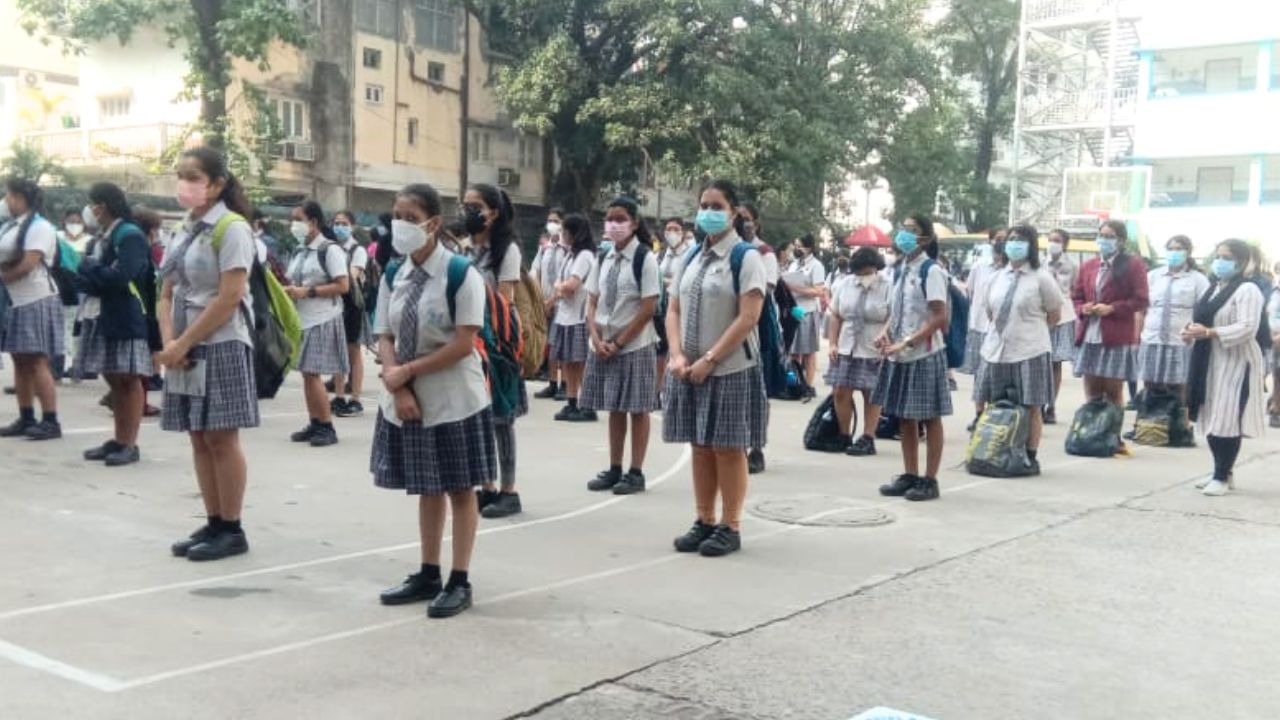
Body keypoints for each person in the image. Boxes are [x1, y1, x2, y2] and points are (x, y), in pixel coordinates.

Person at [372, 183, 494, 618]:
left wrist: (408, 373)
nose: (400, 225)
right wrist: (398, 384)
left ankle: (459, 579)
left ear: (433, 223)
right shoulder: (393, 273)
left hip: (454, 399)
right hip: (408, 397)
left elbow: (464, 342)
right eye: (396, 215)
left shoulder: (461, 274)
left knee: (460, 488)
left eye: (409, 217)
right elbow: (383, 332)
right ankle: (428, 571)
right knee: (427, 487)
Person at [157, 147, 260, 561]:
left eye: (194, 176)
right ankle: (214, 519)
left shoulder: (232, 228)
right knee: (198, 436)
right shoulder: (184, 228)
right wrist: (170, 342)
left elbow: (230, 296)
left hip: (220, 342)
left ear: (216, 184)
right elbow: (165, 289)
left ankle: (232, 527)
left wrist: (184, 342)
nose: (185, 183)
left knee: (221, 436)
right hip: (183, 344)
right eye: (180, 174)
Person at [664, 179, 768, 557]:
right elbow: (672, 308)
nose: (708, 211)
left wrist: (710, 359)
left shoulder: (745, 257)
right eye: (703, 204)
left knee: (728, 447)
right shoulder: (691, 257)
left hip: (729, 369)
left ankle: (731, 524)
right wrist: (676, 354)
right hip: (687, 368)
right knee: (701, 445)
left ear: (735, 211)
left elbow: (748, 317)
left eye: (717, 205)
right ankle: (704, 519)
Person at [581, 197, 661, 495]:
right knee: (614, 407)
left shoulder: (644, 258)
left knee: (638, 409)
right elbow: (591, 299)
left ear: (634, 223)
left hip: (635, 345)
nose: (614, 225)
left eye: (621, 219)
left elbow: (648, 307)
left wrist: (619, 341)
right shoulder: (603, 257)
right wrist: (596, 336)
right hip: (603, 343)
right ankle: (615, 468)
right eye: (610, 219)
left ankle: (635, 471)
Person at [872, 215, 951, 501]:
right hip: (900, 354)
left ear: (926, 239)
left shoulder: (931, 271)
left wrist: (906, 342)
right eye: (903, 229)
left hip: (924, 353)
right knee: (904, 416)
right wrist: (885, 333)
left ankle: (930, 479)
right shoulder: (900, 269)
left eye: (912, 231)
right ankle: (910, 473)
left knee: (929, 417)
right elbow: (897, 310)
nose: (904, 235)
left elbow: (939, 316)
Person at [77, 183, 156, 466]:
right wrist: (95, 272)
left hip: (125, 315)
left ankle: (129, 444)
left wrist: (91, 269)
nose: (92, 210)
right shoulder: (101, 237)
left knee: (127, 379)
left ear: (105, 205)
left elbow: (123, 276)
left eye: (95, 203)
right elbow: (85, 277)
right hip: (102, 313)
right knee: (112, 377)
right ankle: (118, 439)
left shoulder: (129, 235)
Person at [462, 183, 528, 519]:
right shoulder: (464, 248)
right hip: (469, 339)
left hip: (498, 343)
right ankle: (486, 486)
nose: (469, 212)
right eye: (466, 205)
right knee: (479, 419)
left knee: (502, 420)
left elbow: (505, 301)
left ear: (494, 213)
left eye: (476, 206)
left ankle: (509, 491)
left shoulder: (506, 251)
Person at [972, 224, 1062, 474]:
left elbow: (1054, 313)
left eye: (1020, 240)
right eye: (1011, 239)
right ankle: (992, 451)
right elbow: (991, 312)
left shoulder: (1041, 277)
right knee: (994, 402)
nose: (1014, 243)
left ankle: (1029, 456)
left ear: (1031, 246)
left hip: (1030, 350)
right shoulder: (996, 277)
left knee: (1031, 405)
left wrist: (1030, 331)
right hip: (996, 349)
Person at [1185, 239, 1266, 496]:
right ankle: (1221, 471)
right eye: (1217, 255)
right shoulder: (1213, 288)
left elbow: (1247, 327)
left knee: (1227, 419)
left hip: (1236, 362)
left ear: (1241, 261)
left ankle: (1221, 475)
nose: (1220, 261)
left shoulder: (1248, 290)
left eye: (1226, 256)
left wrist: (1210, 332)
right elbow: (1200, 319)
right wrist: (1191, 332)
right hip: (1208, 360)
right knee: (1209, 416)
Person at [0, 177, 63, 440]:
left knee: (37, 360)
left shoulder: (40, 227)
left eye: (8, 196)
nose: (5, 201)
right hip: (17, 300)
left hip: (36, 299)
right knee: (20, 359)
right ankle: (26, 416)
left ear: (20, 198)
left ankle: (50, 420)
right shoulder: (12, 226)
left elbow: (28, 264)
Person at [285, 201, 350, 447]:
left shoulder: (329, 250)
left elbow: (343, 286)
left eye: (298, 219)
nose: (294, 224)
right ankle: (315, 422)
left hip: (322, 317)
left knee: (312, 373)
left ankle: (326, 426)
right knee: (307, 374)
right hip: (302, 319)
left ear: (313, 222)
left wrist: (307, 292)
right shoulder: (300, 250)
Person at [1072, 220, 1149, 412]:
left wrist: (1112, 308)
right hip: (1090, 335)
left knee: (1113, 391)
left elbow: (1141, 300)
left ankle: (1111, 436)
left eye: (1110, 237)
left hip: (1115, 336)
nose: (1104, 240)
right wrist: (1083, 308)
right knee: (1092, 392)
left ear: (1121, 241)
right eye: (1101, 236)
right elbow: (1076, 296)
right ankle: (1092, 432)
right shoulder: (1089, 265)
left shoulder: (1133, 265)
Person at [826, 247, 891, 456]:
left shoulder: (887, 286)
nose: (863, 276)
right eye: (859, 272)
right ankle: (844, 435)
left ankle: (868, 437)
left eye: (866, 271)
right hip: (847, 344)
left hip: (872, 346)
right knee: (840, 391)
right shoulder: (846, 284)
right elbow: (835, 315)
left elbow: (893, 315)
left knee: (870, 393)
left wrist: (884, 333)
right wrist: (833, 343)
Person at [1135, 235, 1209, 415]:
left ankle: (1177, 423)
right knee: (1150, 381)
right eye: (1171, 249)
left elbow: (1204, 311)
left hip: (1180, 340)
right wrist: (1137, 335)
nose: (1174, 253)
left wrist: (1194, 331)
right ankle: (1148, 422)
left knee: (1178, 383)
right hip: (1152, 338)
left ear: (1188, 253)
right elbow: (1141, 309)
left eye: (1179, 249)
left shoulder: (1197, 279)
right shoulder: (1152, 276)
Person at [739, 203, 776, 474]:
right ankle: (735, 444)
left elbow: (767, 288)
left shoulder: (763, 253)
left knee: (757, 392)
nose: (743, 224)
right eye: (738, 218)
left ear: (757, 223)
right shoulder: (725, 251)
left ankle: (756, 448)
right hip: (726, 326)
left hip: (756, 327)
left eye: (747, 219)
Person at [550, 213, 597, 423]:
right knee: (568, 361)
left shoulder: (585, 256)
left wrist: (560, 287)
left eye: (565, 231)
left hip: (578, 316)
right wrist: (561, 287)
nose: (562, 235)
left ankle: (587, 404)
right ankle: (571, 401)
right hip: (565, 316)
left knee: (581, 360)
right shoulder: (570, 255)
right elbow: (560, 284)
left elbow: (571, 286)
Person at [961, 228, 1007, 430]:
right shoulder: (980, 267)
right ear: (990, 242)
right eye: (998, 239)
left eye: (1006, 240)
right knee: (980, 375)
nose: (1002, 243)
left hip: (1002, 331)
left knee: (999, 375)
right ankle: (979, 413)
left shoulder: (1011, 271)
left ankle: (996, 413)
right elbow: (970, 293)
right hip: (979, 326)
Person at [329, 210, 368, 418]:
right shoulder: (332, 248)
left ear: (352, 226)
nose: (339, 227)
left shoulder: (357, 250)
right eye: (336, 223)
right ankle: (339, 396)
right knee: (337, 351)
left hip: (352, 304)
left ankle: (355, 399)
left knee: (353, 352)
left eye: (344, 223)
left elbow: (351, 276)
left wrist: (334, 277)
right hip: (334, 303)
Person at [532, 207, 568, 401]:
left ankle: (566, 384)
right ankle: (552, 383)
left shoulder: (568, 248)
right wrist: (540, 300)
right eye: (549, 220)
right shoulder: (544, 248)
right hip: (545, 303)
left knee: (563, 346)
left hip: (562, 304)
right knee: (551, 344)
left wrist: (553, 300)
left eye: (555, 220)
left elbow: (568, 277)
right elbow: (536, 272)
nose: (551, 224)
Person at [1044, 228, 1078, 424]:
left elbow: (1073, 289)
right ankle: (1037, 403)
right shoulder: (1040, 263)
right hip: (1043, 317)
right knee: (1041, 362)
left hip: (1063, 316)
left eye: (1056, 240)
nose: (1052, 243)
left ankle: (1051, 406)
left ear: (1065, 243)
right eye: (1050, 239)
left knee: (1055, 363)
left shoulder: (1072, 265)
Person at [784, 233, 825, 395]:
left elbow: (819, 291)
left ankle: (808, 384)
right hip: (794, 310)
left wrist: (796, 288)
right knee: (793, 351)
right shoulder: (793, 265)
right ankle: (795, 383)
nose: (797, 249)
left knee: (808, 351)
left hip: (807, 310)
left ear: (809, 247)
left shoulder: (816, 266)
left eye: (800, 246)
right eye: (795, 246)